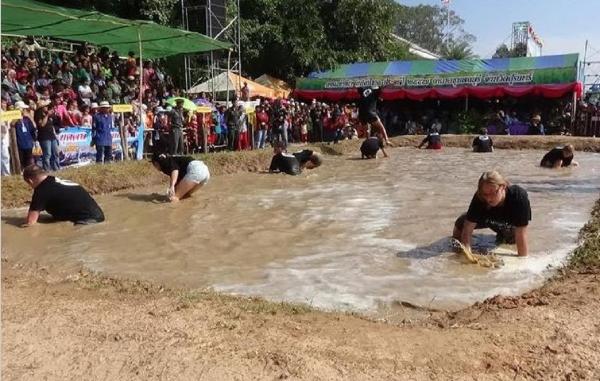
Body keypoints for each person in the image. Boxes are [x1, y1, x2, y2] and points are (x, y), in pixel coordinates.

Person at [453, 171, 531, 257]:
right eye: (485, 194)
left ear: (503, 187)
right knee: (461, 223)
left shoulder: (518, 197)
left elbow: (521, 234)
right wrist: (467, 255)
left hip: (509, 224)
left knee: (510, 240)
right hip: (488, 219)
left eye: (493, 193)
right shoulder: (480, 197)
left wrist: (523, 261)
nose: (489, 198)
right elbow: (467, 230)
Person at [21, 164, 105, 226]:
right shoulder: (52, 180)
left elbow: (30, 223)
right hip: (98, 214)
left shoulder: (41, 191)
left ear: (30, 181)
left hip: (87, 220)